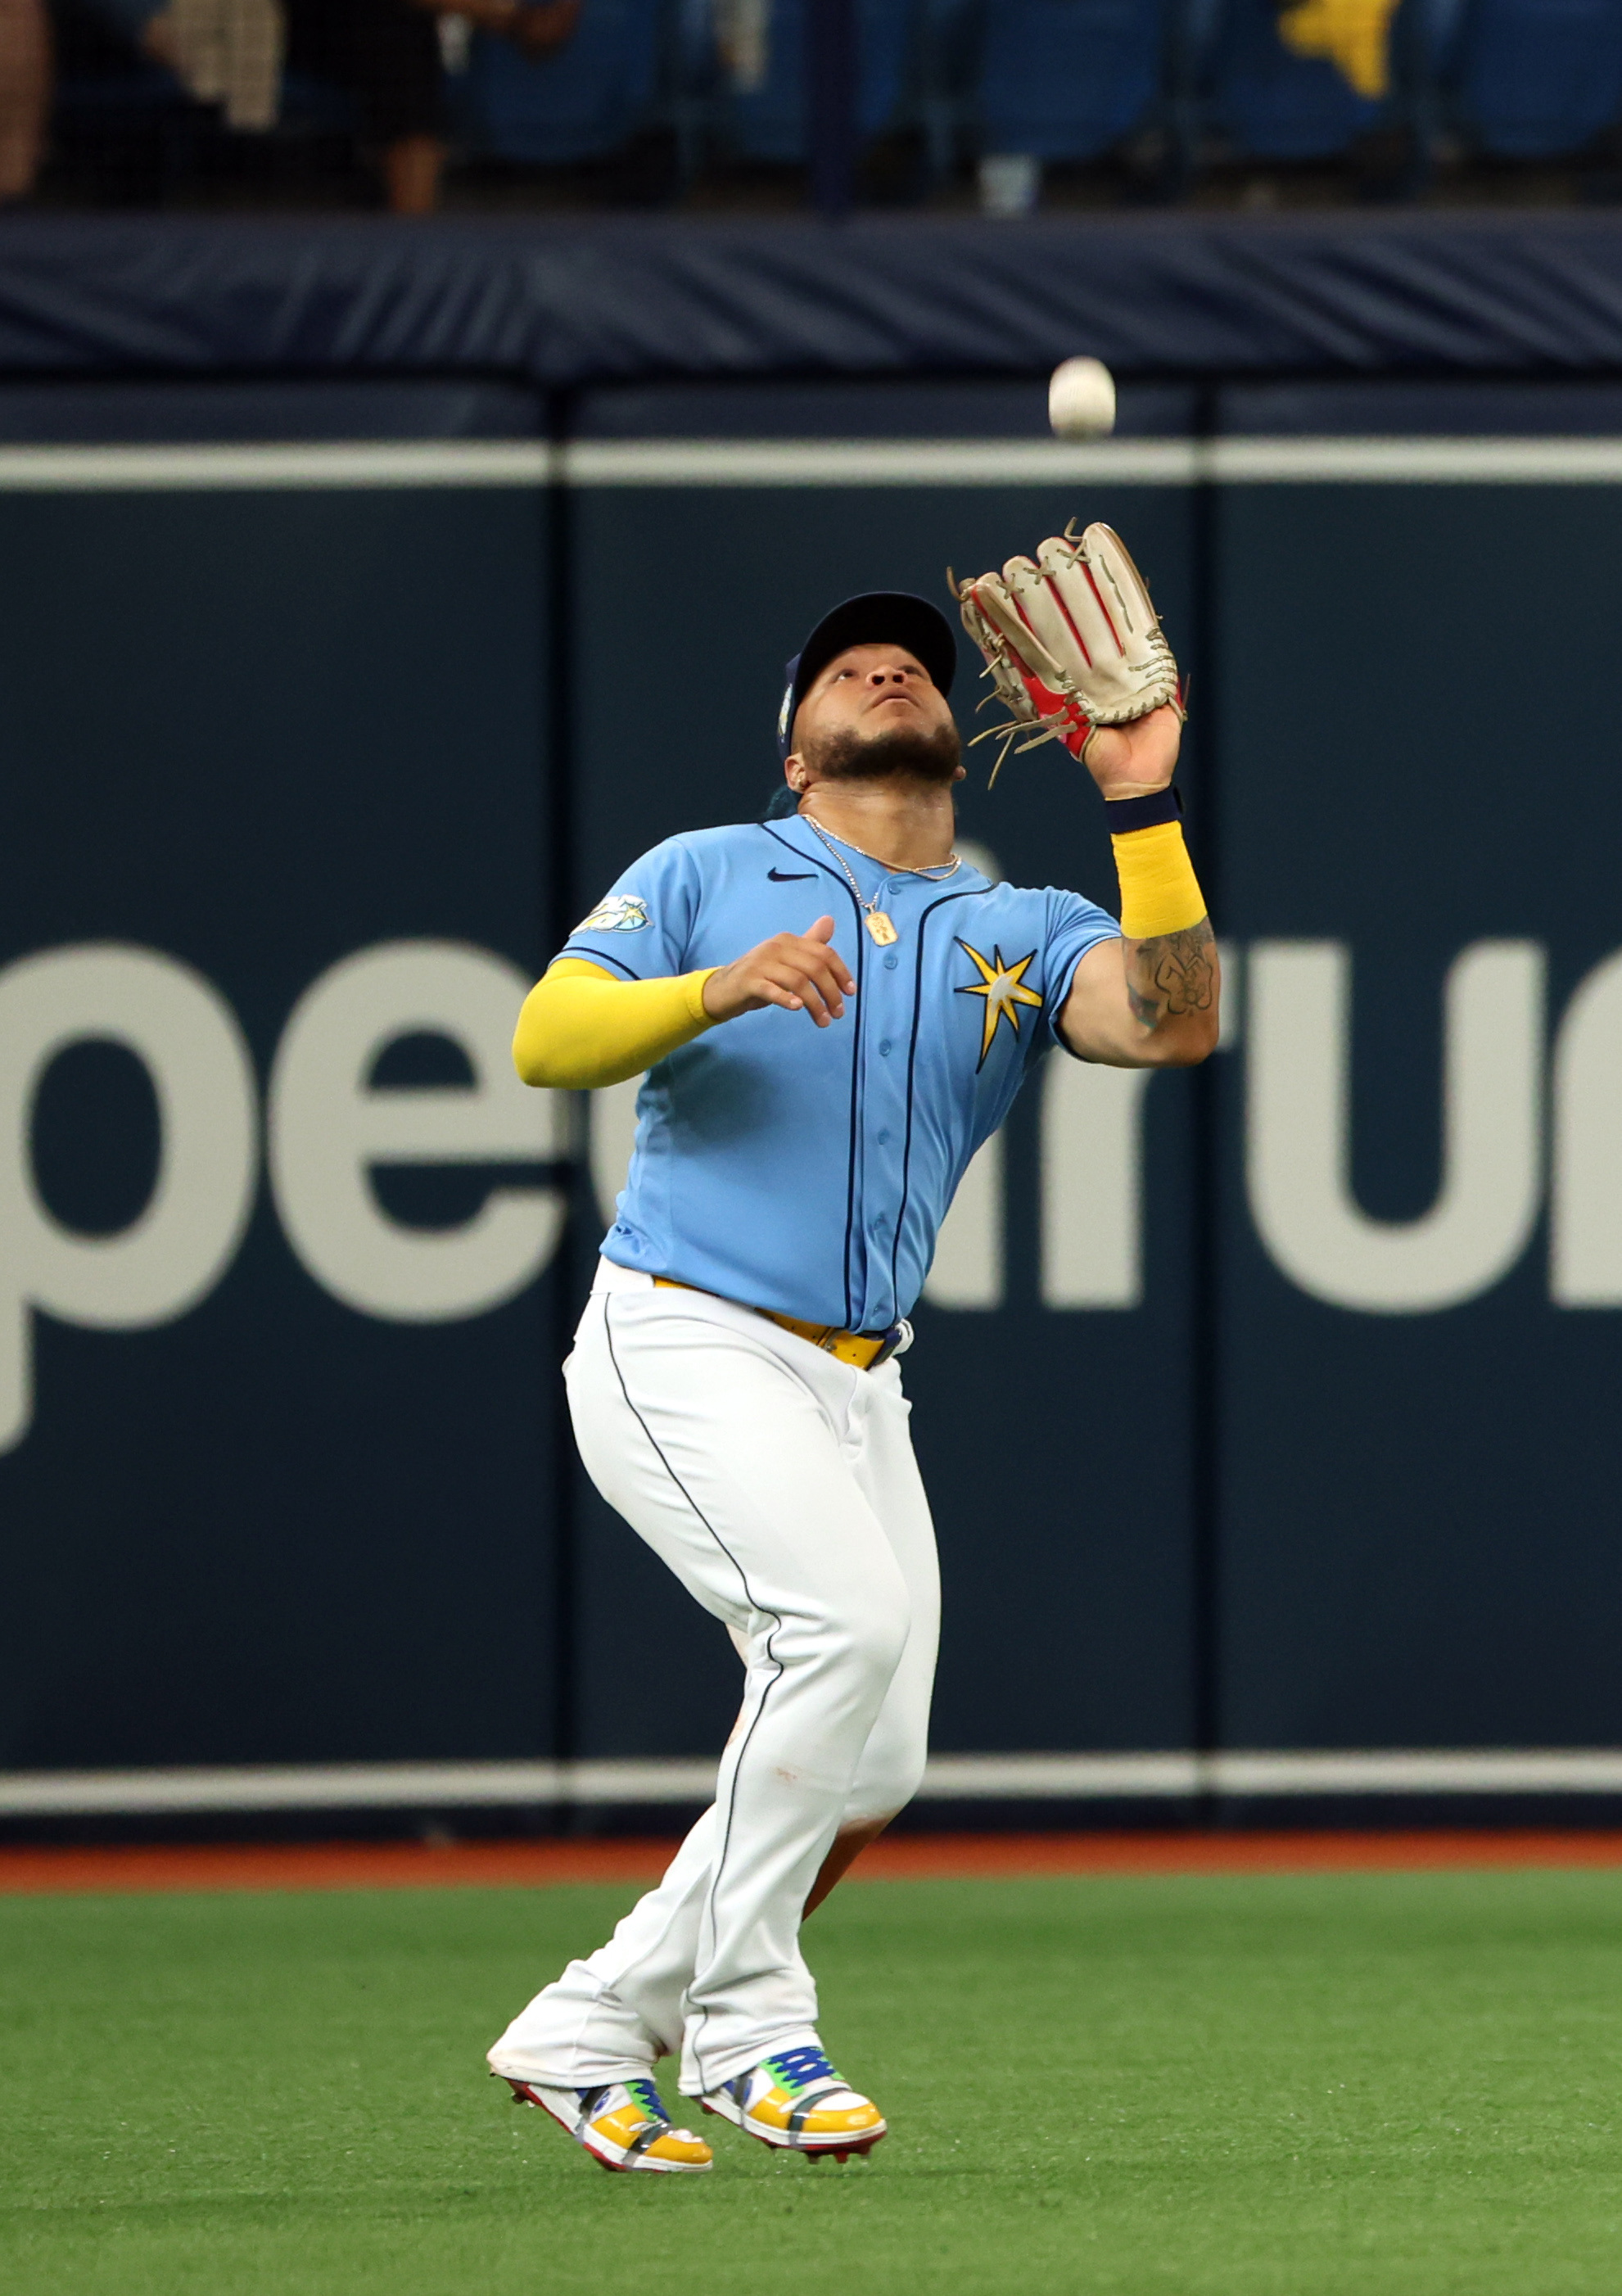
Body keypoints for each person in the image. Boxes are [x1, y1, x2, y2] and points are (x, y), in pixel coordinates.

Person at [488, 556, 1219, 2175]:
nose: (889, 673)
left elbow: (1171, 1021)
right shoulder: (707, 872)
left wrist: (1141, 801)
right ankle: (750, 2027)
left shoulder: (1015, 925)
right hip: (681, 1330)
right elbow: (543, 1040)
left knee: (882, 1753)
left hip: (855, 1379)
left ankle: (593, 2020)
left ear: (964, 733)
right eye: (849, 669)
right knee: (841, 1624)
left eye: (913, 665)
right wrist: (710, 988)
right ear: (795, 744)